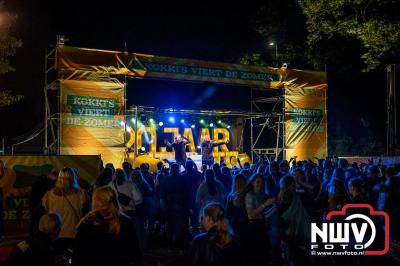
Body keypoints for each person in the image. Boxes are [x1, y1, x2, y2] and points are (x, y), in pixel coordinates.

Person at [72, 186, 141, 266]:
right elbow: (134, 254)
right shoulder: (126, 223)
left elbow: (77, 255)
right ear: (115, 200)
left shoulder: (86, 223)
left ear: (95, 202)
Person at [40, 167, 89, 248]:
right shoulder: (82, 194)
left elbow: (43, 214)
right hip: (74, 235)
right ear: (73, 178)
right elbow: (86, 215)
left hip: (54, 235)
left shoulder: (48, 195)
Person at [159, 163, 190, 248]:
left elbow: (162, 193)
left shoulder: (167, 179)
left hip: (169, 205)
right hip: (180, 205)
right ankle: (177, 243)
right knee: (179, 225)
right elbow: (186, 193)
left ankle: (170, 243)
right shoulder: (182, 179)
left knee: (170, 224)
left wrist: (163, 203)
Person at [226, 174, 248, 243]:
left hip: (235, 224)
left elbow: (227, 214)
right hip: (247, 223)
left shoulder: (230, 196)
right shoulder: (249, 195)